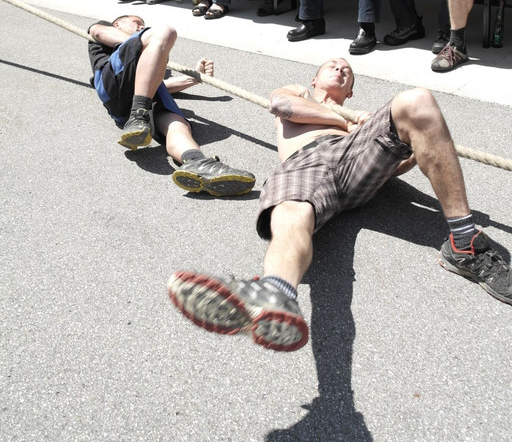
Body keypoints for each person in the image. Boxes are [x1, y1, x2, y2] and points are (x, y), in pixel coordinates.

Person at [168, 56, 512, 352]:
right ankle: (275, 292)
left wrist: (415, 142)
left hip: (357, 166)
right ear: (314, 79)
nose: (340, 67)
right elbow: (282, 107)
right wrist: (345, 119)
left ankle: (464, 244)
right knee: (293, 212)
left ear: (350, 91)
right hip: (306, 162)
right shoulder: (299, 93)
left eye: (347, 70)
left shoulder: (359, 120)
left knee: (417, 102)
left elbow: (398, 167)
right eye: (332, 65)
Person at [88, 14, 256, 197]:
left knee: (177, 124)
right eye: (137, 22)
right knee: (165, 31)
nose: (141, 26)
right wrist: (154, 42)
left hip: (134, 102)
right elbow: (96, 31)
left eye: (143, 25)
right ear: (117, 24)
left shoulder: (146, 54)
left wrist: (194, 76)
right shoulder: (104, 29)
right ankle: (139, 115)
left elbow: (158, 85)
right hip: (112, 83)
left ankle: (198, 164)